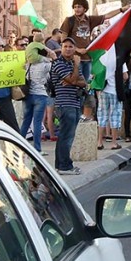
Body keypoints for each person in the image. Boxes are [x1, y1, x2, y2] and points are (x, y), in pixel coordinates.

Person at [49, 38, 87, 175]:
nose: (68, 49)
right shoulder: (58, 63)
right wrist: (75, 69)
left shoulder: (72, 63)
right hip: (64, 104)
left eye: (71, 46)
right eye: (65, 46)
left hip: (75, 103)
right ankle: (65, 166)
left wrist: (73, 80)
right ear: (61, 47)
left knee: (66, 136)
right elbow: (72, 79)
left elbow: (83, 82)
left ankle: (61, 165)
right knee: (67, 136)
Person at [20, 34, 54, 154]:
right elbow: (55, 62)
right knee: (37, 123)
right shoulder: (46, 65)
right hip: (41, 95)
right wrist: (50, 53)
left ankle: (19, 145)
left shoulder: (28, 64)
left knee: (26, 121)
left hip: (27, 95)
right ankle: (37, 149)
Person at [95, 45, 126, 151]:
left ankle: (99, 142)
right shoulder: (120, 59)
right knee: (115, 116)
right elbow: (125, 76)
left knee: (102, 115)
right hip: (115, 90)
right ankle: (114, 142)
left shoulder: (102, 57)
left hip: (103, 90)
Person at [0, 35, 21, 132]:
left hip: (5, 98)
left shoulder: (8, 58)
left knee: (13, 127)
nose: (1, 48)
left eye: (3, 46)